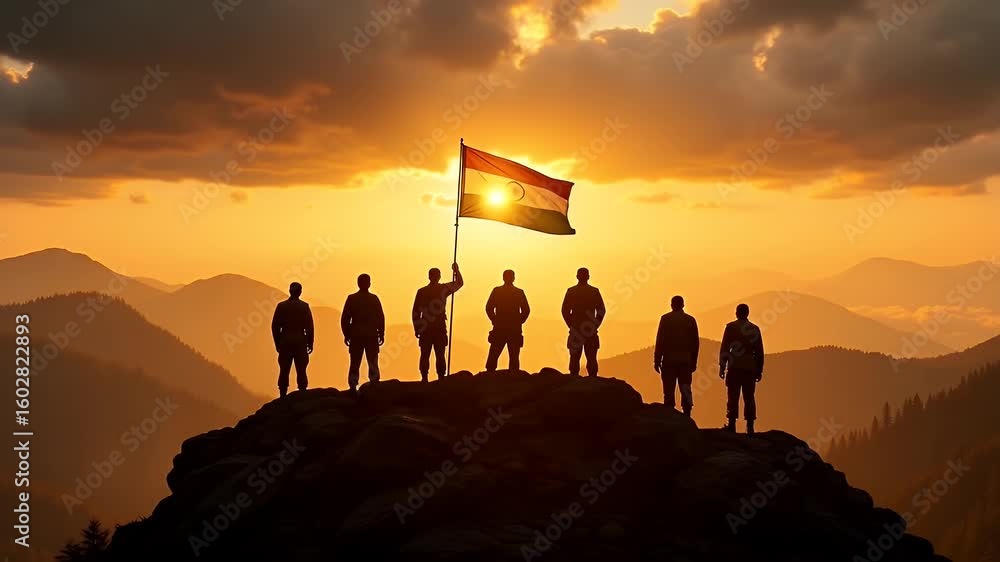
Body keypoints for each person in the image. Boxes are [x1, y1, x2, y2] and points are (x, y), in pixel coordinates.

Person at [412, 262, 464, 382]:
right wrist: (456, 271)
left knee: (427, 354)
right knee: (437, 353)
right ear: (438, 276)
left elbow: (415, 312)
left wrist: (417, 327)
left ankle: (425, 378)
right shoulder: (442, 289)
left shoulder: (422, 291)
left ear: (429, 277)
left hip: (426, 327)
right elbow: (459, 283)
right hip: (437, 327)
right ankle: (439, 377)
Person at [719, 303, 764, 435]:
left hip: (734, 366)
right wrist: (759, 370)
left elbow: (725, 348)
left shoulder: (731, 327)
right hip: (749, 367)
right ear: (747, 313)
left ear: (737, 313)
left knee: (732, 396)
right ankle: (750, 427)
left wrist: (722, 366)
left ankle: (731, 424)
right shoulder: (754, 328)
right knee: (749, 397)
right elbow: (759, 352)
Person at [654, 295, 699, 416]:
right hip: (685, 361)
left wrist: (657, 360)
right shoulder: (690, 320)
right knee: (686, 389)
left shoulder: (665, 319)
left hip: (669, 361)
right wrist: (694, 361)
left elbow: (660, 340)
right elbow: (695, 343)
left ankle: (670, 415)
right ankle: (687, 414)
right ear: (683, 305)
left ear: (671, 305)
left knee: (668, 390)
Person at [341, 274, 385, 392]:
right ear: (369, 283)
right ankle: (374, 383)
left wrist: (347, 334)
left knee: (355, 362)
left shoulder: (352, 299)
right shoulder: (374, 299)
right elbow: (380, 317)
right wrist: (381, 333)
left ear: (358, 283)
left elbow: (345, 319)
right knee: (372, 361)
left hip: (356, 335)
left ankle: (353, 386)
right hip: (371, 335)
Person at [271, 282, 314, 398]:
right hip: (300, 341)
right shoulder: (304, 307)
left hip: (285, 341)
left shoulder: (281, 306)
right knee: (301, 369)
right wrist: (310, 343)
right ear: (300, 292)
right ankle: (302, 392)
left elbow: (275, 326)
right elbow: (310, 327)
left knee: (284, 369)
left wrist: (278, 343)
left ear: (290, 291)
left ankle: (283, 394)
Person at [561, 267, 606, 377]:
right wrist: (595, 325)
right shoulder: (594, 292)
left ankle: (574, 380)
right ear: (588, 277)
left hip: (577, 330)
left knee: (575, 359)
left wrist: (571, 325)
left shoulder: (571, 291)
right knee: (591, 359)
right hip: (589, 330)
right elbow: (601, 310)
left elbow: (565, 311)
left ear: (577, 277)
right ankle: (592, 380)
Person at [484, 270, 530, 373]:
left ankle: (490, 375)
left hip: (505, 329)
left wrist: (495, 320)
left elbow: (489, 308)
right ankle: (507, 376)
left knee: (506, 357)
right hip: (507, 329)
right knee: (503, 357)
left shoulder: (501, 291)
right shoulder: (516, 292)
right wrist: (518, 321)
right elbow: (526, 310)